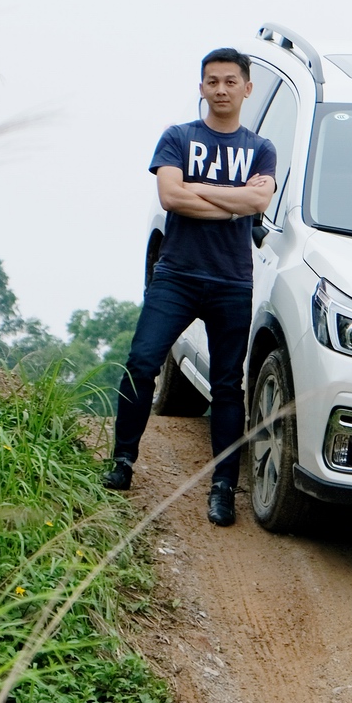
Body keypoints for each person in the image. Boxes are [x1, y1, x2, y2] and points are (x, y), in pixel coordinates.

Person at [104, 48, 276, 526]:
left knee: (227, 387)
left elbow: (258, 198)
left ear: (246, 88)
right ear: (200, 87)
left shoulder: (261, 148)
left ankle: (223, 488)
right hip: (177, 275)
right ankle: (122, 462)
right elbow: (170, 196)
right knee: (141, 364)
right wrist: (234, 203)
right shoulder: (178, 137)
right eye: (211, 81)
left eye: (229, 81)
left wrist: (199, 193)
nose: (220, 89)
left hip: (230, 281)